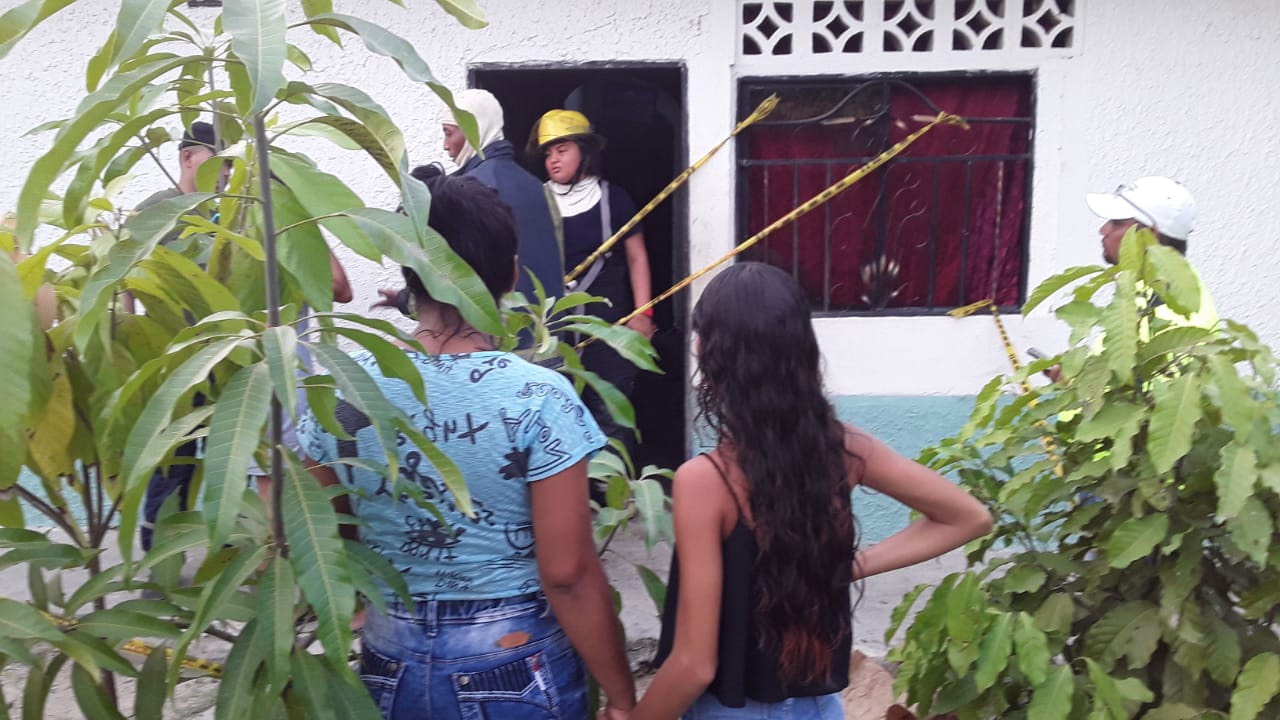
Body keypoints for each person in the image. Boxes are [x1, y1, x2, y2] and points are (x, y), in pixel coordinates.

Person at [298, 173, 635, 719]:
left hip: (391, 656)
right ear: (509, 272)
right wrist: (621, 696)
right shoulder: (539, 396)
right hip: (514, 660)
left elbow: (332, 537)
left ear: (410, 272)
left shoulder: (344, 389)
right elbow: (568, 572)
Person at [635, 262, 992, 719]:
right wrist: (847, 567)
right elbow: (969, 516)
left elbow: (694, 664)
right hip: (819, 708)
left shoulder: (703, 481)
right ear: (802, 350)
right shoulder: (846, 450)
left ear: (707, 352)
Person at [531, 108, 655, 447]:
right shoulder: (535, 201)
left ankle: (613, 492)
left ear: (585, 152)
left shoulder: (614, 198)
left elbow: (637, 256)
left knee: (611, 407)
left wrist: (644, 315)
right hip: (554, 325)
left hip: (609, 322)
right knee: (555, 409)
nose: (553, 160)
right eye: (548, 153)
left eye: (562, 149)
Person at [1042, 175, 1217, 382]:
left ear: (1150, 234)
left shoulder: (1178, 314)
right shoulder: (1151, 292)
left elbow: (1149, 403)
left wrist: (1077, 386)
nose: (1103, 230)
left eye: (1117, 223)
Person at [442, 89, 563, 305]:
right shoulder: (539, 188)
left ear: (474, 130)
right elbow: (557, 262)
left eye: (448, 132)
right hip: (545, 331)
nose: (445, 145)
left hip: (491, 332)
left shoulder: (465, 190)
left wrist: (409, 302)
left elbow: (455, 272)